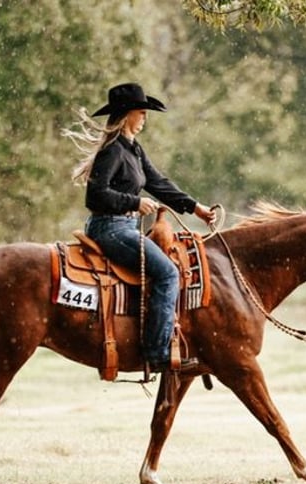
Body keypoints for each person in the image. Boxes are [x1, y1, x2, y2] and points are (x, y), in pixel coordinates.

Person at [64, 82, 216, 373]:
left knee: (166, 269)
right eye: (142, 112)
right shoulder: (112, 151)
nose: (145, 117)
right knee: (168, 274)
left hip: (124, 227)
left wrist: (195, 207)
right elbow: (95, 196)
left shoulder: (133, 149)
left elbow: (158, 183)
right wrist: (134, 202)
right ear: (127, 115)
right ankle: (157, 352)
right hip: (111, 229)